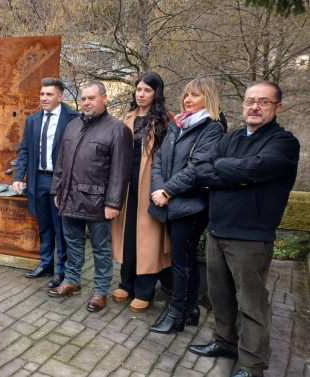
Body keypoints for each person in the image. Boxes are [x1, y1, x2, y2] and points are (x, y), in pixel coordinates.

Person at [190, 81, 299, 377]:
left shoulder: (284, 143)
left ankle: (252, 365)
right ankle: (225, 343)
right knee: (220, 295)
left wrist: (223, 168)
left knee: (252, 304)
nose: (254, 107)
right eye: (250, 101)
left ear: (277, 107)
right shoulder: (232, 137)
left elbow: (258, 168)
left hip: (251, 236)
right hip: (217, 229)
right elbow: (200, 167)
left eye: (263, 102)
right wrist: (235, 171)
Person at [148, 77, 226, 333]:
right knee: (184, 260)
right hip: (171, 203)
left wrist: (167, 191)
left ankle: (177, 313)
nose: (188, 100)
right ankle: (190, 309)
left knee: (182, 262)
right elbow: (159, 160)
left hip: (191, 207)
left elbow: (197, 168)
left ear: (209, 98)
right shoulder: (177, 124)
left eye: (195, 95)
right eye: (186, 95)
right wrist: (159, 189)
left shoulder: (212, 128)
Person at [50, 81, 133, 313]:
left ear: (104, 99)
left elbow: (121, 171)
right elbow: (61, 161)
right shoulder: (72, 126)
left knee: (100, 249)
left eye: (91, 98)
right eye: (84, 98)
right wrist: (57, 189)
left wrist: (113, 203)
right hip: (69, 197)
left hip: (98, 202)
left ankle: (100, 291)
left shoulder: (118, 129)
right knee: (73, 243)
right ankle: (72, 281)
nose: (86, 102)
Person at [110, 72, 172, 313]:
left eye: (147, 90)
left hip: (152, 185)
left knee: (149, 239)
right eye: (138, 89)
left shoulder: (167, 120)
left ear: (156, 93)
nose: (141, 94)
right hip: (127, 186)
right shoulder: (128, 117)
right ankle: (126, 283)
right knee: (128, 235)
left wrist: (165, 189)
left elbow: (170, 158)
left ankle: (145, 290)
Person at [13, 77, 79, 287]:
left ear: (60, 96)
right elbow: (24, 150)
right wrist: (18, 177)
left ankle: (62, 270)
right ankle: (46, 263)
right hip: (38, 180)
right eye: (42, 94)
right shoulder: (33, 120)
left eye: (49, 94)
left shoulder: (73, 118)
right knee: (44, 225)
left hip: (60, 182)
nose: (44, 98)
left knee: (61, 228)